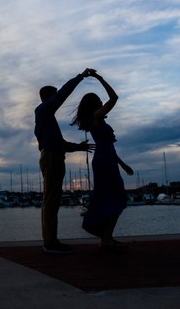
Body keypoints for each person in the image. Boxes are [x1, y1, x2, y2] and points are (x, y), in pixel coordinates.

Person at [71, 69, 133, 249]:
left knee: (114, 198)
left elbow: (108, 146)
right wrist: (99, 78)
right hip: (104, 161)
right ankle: (106, 239)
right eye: (98, 101)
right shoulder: (96, 117)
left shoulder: (99, 119)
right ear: (93, 104)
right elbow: (114, 98)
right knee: (115, 198)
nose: (101, 102)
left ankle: (106, 238)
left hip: (107, 159)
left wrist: (122, 164)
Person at [35, 69, 94, 254]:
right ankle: (50, 243)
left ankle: (51, 240)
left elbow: (59, 143)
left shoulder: (47, 118)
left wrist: (79, 147)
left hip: (54, 155)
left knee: (52, 199)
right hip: (52, 157)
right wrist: (80, 76)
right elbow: (63, 94)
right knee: (51, 200)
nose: (57, 99)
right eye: (54, 95)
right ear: (47, 97)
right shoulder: (43, 110)